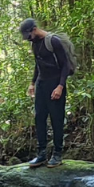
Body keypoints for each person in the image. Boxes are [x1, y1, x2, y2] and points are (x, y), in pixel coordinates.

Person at [21, 18, 71, 167]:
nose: (29, 39)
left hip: (55, 83)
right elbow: (38, 64)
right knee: (39, 118)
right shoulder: (34, 43)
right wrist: (32, 83)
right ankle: (41, 154)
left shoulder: (53, 41)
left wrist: (60, 86)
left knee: (57, 119)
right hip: (41, 84)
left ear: (34, 29)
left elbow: (65, 65)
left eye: (29, 35)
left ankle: (57, 154)